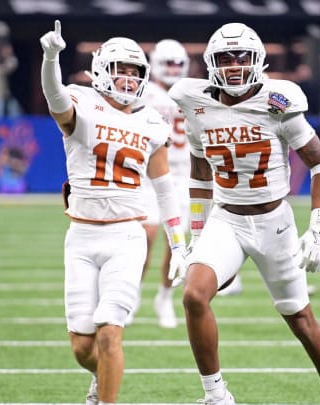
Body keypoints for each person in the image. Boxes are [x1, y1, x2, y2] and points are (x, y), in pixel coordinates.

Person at [168, 23, 320, 405]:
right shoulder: (196, 104)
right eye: (224, 58)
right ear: (211, 63)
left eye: (242, 57)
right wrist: (197, 236)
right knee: (193, 296)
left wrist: (317, 228)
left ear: (257, 61)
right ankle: (217, 396)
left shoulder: (278, 102)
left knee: (299, 319)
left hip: (275, 223)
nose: (234, 66)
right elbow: (201, 176)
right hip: (227, 219)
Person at [39, 21, 187, 405]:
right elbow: (55, 97)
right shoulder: (82, 103)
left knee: (109, 333)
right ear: (102, 70)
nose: (127, 78)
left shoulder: (151, 120)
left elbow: (165, 187)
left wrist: (178, 241)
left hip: (126, 235)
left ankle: (106, 399)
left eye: (134, 71)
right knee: (82, 348)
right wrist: (50, 57)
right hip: (82, 236)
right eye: (120, 69)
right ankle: (103, 377)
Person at [131, 38, 192, 328]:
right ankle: (133, 296)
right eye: (167, 63)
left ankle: (165, 298)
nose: (172, 69)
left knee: (176, 244)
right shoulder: (143, 93)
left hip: (182, 175)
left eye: (177, 63)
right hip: (148, 175)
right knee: (145, 238)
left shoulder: (190, 92)